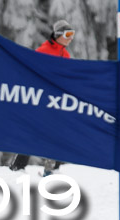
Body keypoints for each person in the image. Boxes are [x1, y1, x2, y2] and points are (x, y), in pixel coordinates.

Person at [9, 19, 75, 174]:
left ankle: (52, 169)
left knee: (57, 133)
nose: (71, 37)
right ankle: (18, 167)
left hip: (56, 101)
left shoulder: (65, 54)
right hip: (40, 99)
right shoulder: (44, 50)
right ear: (58, 35)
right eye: (68, 33)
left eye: (73, 34)